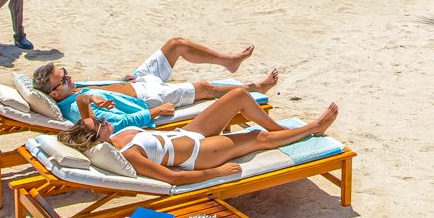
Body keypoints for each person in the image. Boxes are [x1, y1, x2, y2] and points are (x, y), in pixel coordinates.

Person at [59, 89, 337, 184]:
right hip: (199, 155)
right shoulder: (128, 153)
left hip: (188, 134)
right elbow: (172, 178)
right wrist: (216, 172)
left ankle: (284, 131)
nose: (105, 120)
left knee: (238, 96)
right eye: (100, 123)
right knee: (256, 137)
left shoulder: (111, 136)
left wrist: (90, 97)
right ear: (96, 137)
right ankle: (313, 127)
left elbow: (83, 105)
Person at [33, 38, 279, 131]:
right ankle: (255, 88)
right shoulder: (76, 108)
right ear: (54, 94)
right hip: (147, 97)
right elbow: (115, 123)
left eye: (64, 71)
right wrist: (155, 112)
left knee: (176, 44)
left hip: (137, 80)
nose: (68, 76)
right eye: (63, 79)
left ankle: (229, 61)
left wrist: (121, 81)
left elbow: (104, 90)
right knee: (204, 88)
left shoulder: (73, 89)